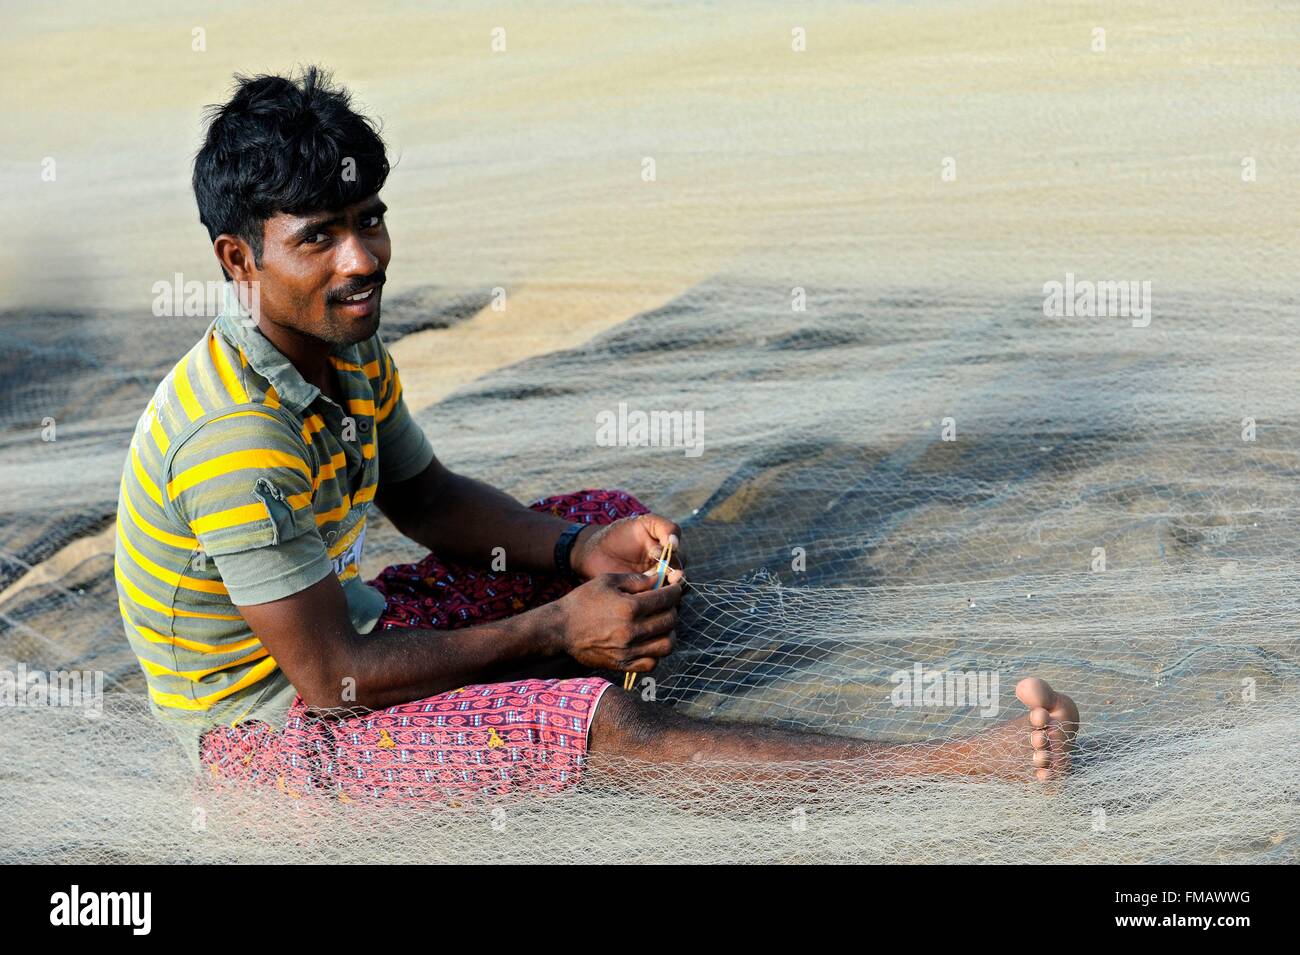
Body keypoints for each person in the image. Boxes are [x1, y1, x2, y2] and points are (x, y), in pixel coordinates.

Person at [114, 66, 1078, 803]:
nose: (362, 259)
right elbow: (330, 680)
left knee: (610, 530)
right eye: (318, 236)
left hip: (354, 631)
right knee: (602, 723)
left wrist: (578, 550)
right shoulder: (233, 439)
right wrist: (550, 630)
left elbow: (428, 497)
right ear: (239, 259)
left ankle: (556, 657)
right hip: (275, 745)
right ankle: (958, 764)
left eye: (370, 220)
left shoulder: (341, 344)